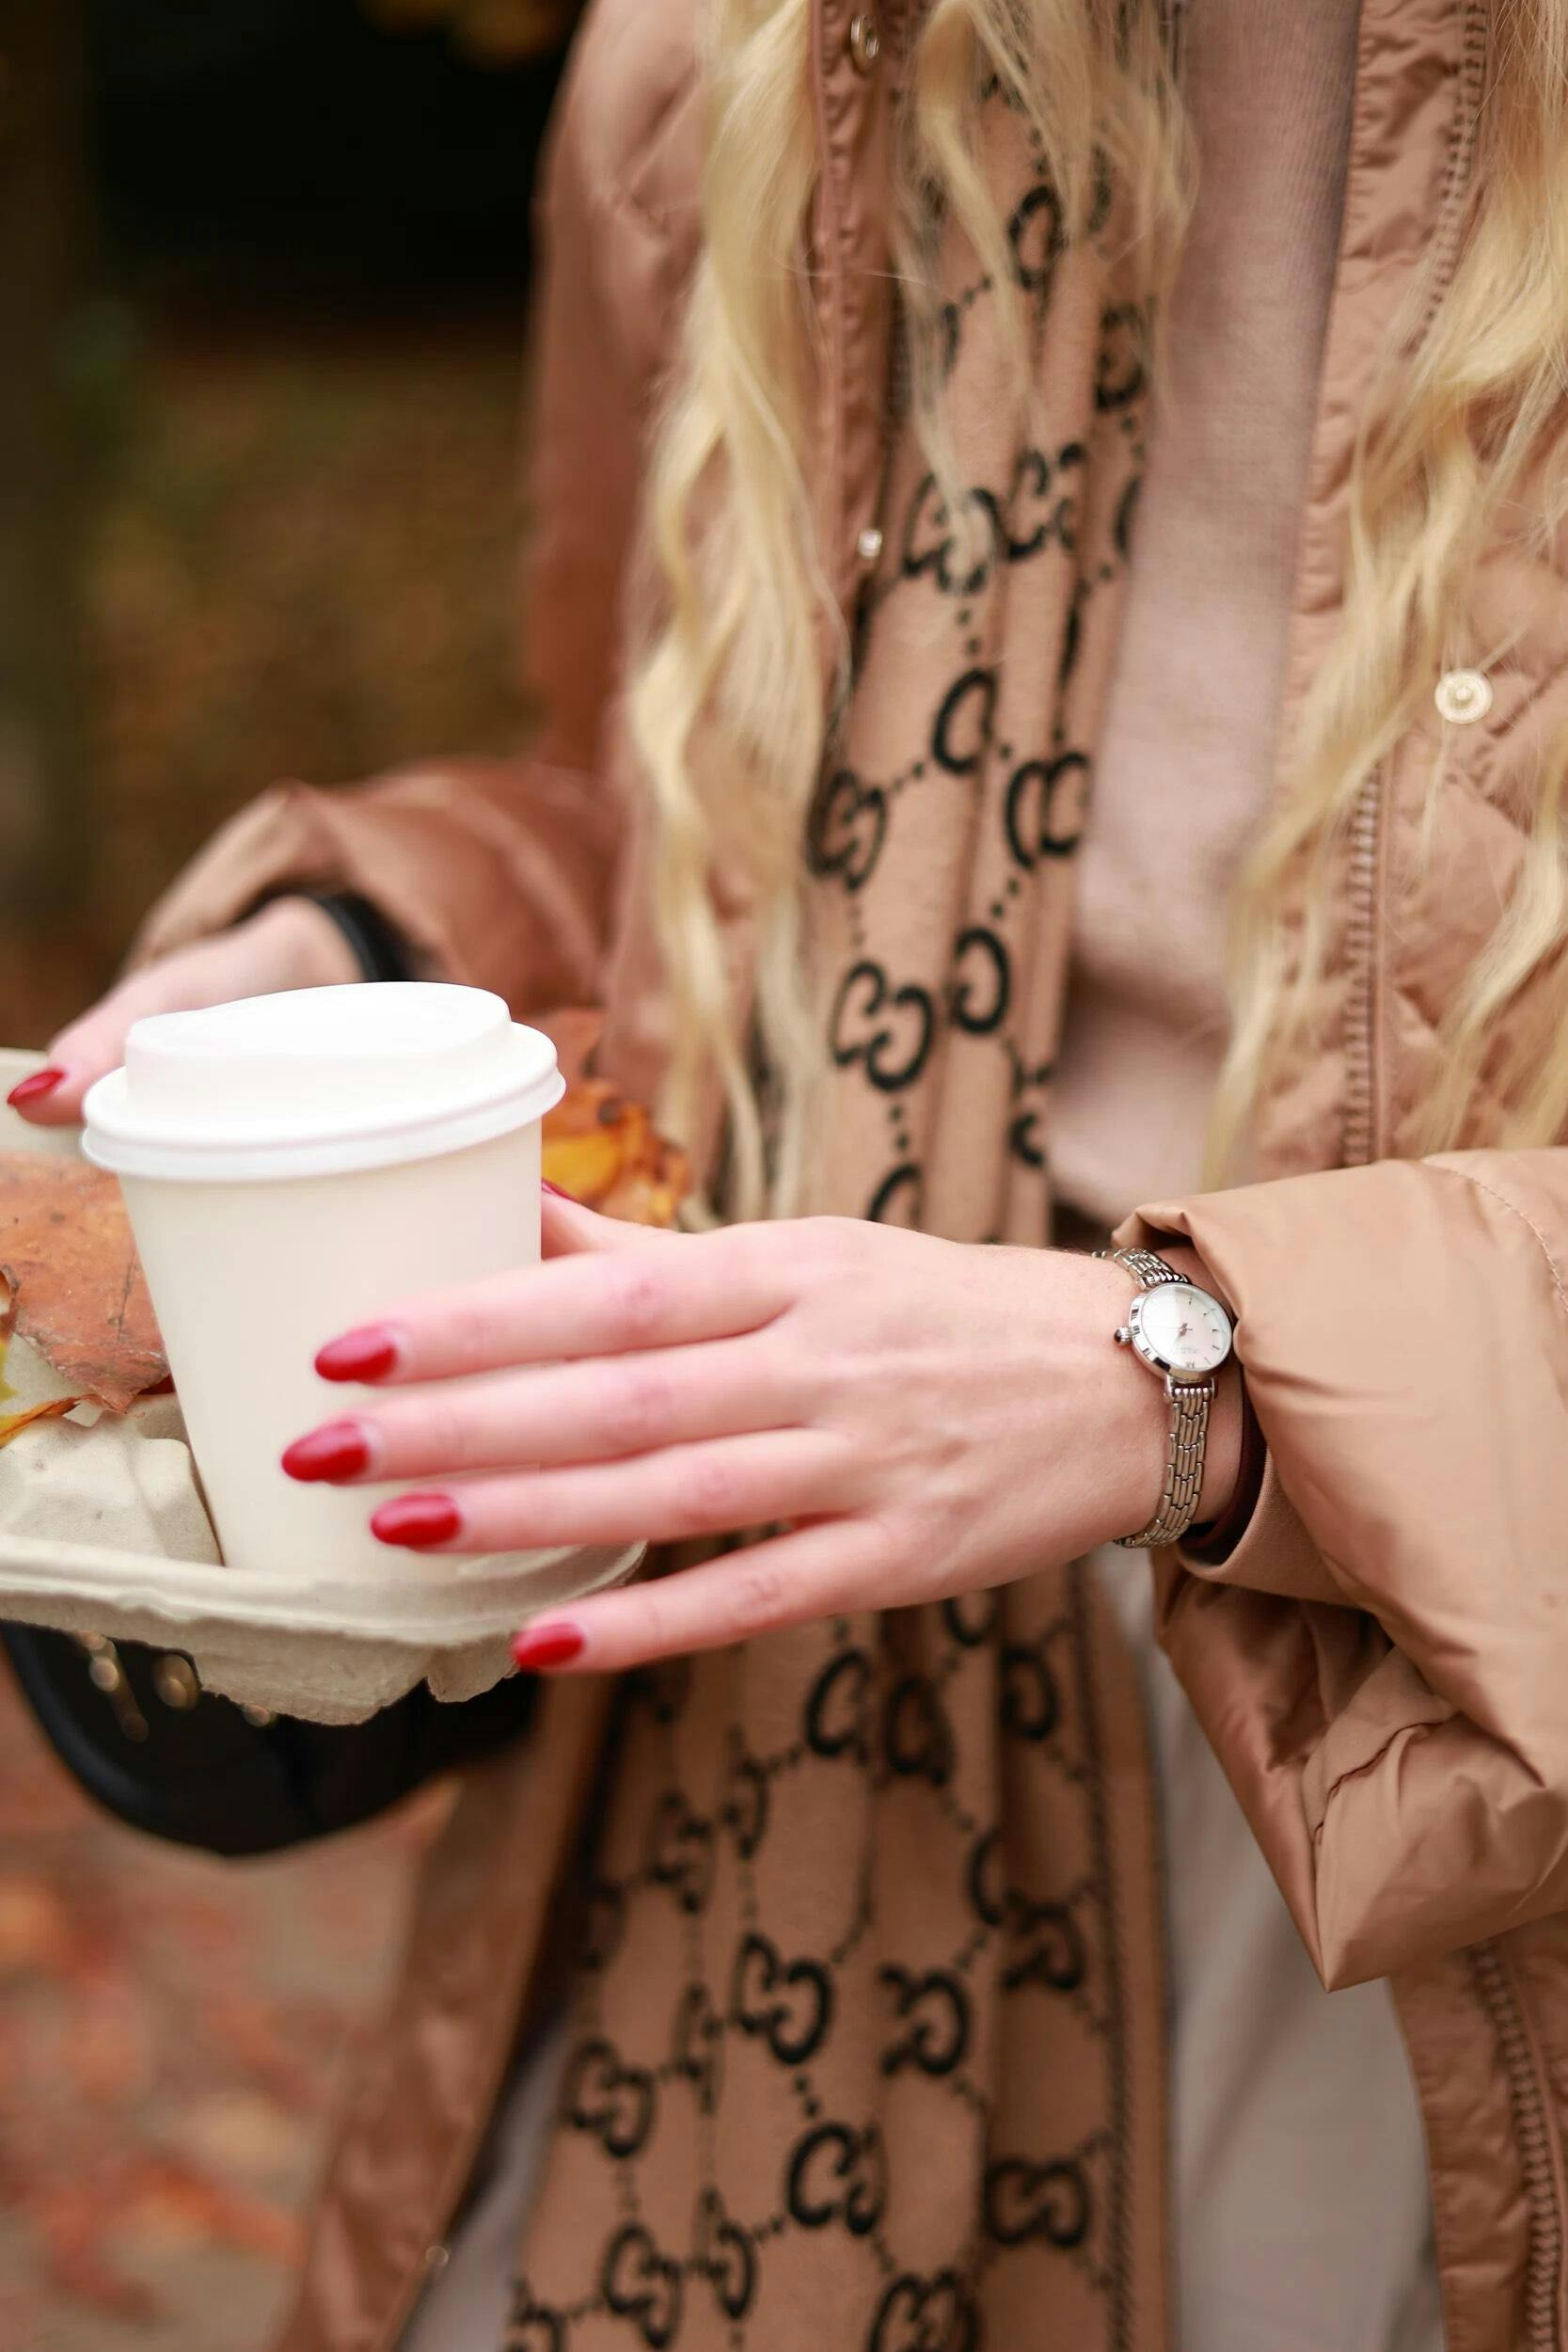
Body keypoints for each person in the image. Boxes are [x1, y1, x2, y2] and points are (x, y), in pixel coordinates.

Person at [9, 1, 1568, 2345]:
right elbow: (665, 817)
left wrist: (1201, 1376)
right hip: (767, 1648)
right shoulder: (735, 62)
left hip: (1434, 1732)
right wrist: (369, 945)